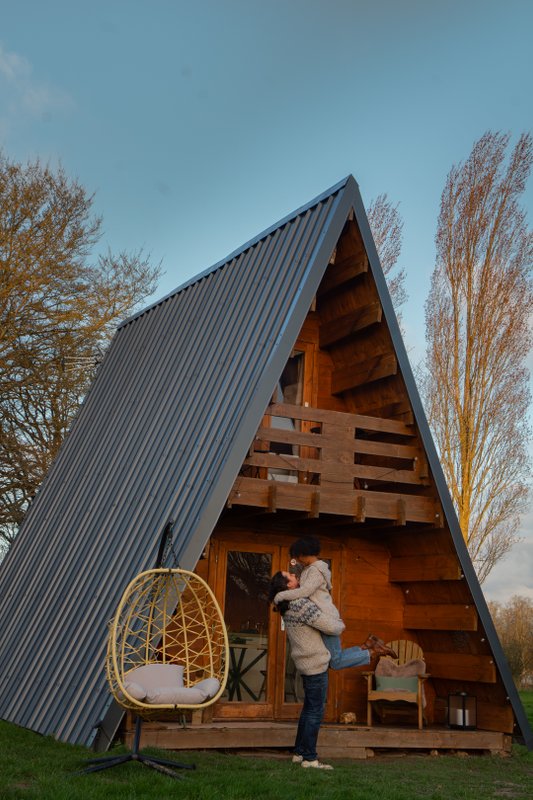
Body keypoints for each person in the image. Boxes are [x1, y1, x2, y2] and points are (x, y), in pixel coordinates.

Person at [274, 536, 397, 667]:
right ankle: (367, 646)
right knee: (334, 657)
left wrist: (281, 596)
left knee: (335, 662)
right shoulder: (310, 570)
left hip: (326, 618)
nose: (297, 561)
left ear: (303, 555)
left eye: (297, 558)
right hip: (321, 617)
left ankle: (373, 651)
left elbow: (305, 591)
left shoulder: (315, 571)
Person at [268, 570, 342, 770]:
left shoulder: (288, 605)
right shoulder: (300, 604)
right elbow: (330, 627)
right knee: (315, 712)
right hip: (315, 662)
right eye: (290, 576)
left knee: (309, 709)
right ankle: (310, 758)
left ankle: (300, 753)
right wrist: (340, 624)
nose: (295, 575)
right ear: (288, 586)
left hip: (305, 662)